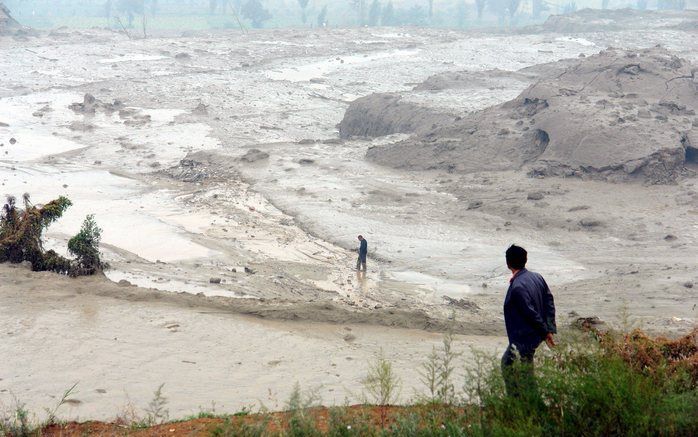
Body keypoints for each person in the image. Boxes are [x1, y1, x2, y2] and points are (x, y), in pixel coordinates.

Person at [501, 244, 556, 401]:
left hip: (524, 337)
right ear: (525, 260)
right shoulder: (537, 277)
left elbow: (530, 313)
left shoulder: (517, 287)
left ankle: (519, 403)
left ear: (508, 263)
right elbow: (549, 301)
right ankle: (526, 402)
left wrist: (546, 333)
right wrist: (549, 328)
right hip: (532, 336)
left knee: (508, 365)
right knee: (524, 369)